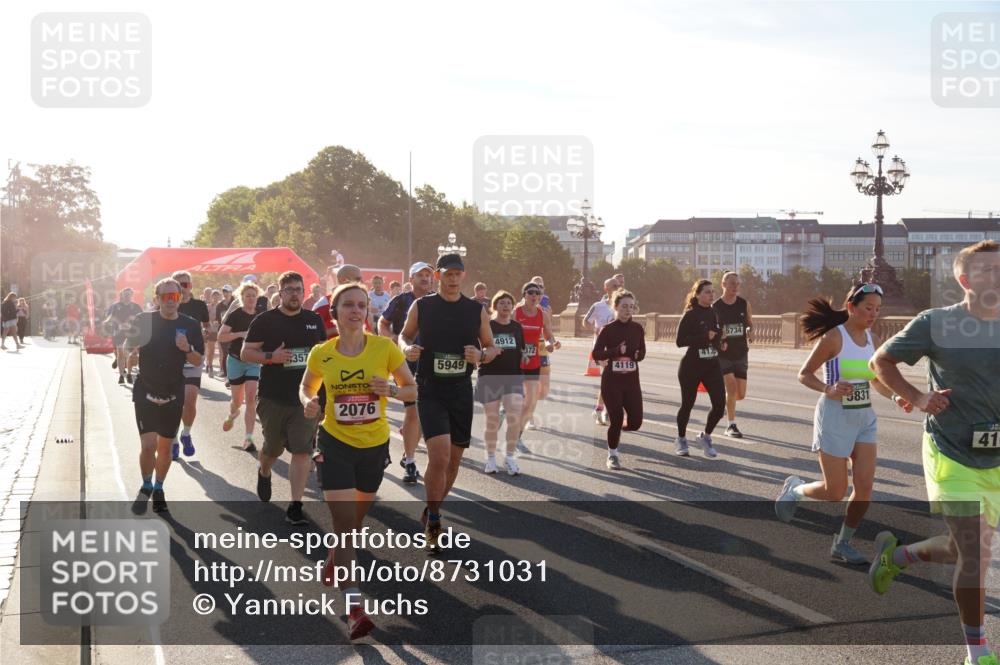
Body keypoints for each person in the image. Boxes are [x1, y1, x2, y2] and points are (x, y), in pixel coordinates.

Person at [867, 241, 1000, 665]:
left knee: (962, 550)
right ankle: (977, 653)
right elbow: (880, 363)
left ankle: (899, 555)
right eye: (988, 270)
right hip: (952, 452)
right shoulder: (937, 323)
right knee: (976, 553)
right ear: (964, 280)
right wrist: (915, 395)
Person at [299, 282, 416, 639]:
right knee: (346, 524)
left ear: (368, 311)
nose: (355, 310)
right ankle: (354, 607)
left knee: (353, 523)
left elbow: (412, 389)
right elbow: (306, 386)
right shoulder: (322, 353)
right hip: (335, 444)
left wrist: (392, 391)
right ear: (334, 313)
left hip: (374, 445)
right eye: (347, 305)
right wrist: (308, 401)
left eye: (361, 305)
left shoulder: (385, 349)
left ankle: (335, 556)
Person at [775, 283, 901, 565]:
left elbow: (876, 380)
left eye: (878, 309)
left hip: (864, 418)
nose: (873, 314)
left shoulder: (873, 340)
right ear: (851, 307)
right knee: (835, 492)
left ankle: (843, 542)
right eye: (868, 308)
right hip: (834, 417)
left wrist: (896, 396)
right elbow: (804, 374)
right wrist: (827, 388)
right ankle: (795, 489)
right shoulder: (834, 337)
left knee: (865, 486)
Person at [399, 253, 498, 551]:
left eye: (458, 274)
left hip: (460, 390)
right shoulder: (422, 305)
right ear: (439, 276)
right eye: (448, 274)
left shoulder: (475, 310)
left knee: (454, 462)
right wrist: (407, 349)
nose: (453, 279)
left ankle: (431, 509)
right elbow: (403, 336)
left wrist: (480, 356)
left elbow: (492, 347)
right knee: (439, 457)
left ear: (463, 276)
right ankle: (435, 522)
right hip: (430, 389)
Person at [242, 271, 326, 525]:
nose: (294, 294)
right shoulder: (265, 320)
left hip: (305, 398)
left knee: (302, 450)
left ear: (304, 292)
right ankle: (264, 470)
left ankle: (295, 505)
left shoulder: (313, 319)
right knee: (272, 449)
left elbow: (323, 356)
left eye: (298, 289)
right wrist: (271, 357)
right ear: (279, 293)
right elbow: (246, 352)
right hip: (273, 397)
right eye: (289, 289)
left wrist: (324, 397)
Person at [128, 277, 204, 514]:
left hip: (173, 392)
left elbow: (199, 360)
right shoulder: (144, 320)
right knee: (148, 446)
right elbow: (129, 348)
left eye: (175, 296)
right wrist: (131, 353)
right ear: (157, 299)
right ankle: (146, 484)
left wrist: (187, 349)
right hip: (146, 390)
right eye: (165, 297)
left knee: (165, 447)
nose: (170, 301)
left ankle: (159, 486)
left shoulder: (190, 325)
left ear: (180, 298)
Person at [379, 261, 434, 484]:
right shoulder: (401, 300)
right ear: (411, 279)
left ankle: (407, 447)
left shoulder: (437, 301)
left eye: (428, 275)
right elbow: (383, 323)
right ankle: (410, 462)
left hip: (432, 362)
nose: (425, 278)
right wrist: (393, 342)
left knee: (423, 412)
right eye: (420, 275)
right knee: (414, 411)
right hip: (406, 363)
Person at [591, 289, 645, 469]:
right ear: (615, 307)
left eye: (631, 307)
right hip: (611, 382)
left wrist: (638, 354)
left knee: (636, 422)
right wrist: (615, 351)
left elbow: (642, 352)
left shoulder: (637, 328)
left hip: (631, 382)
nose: (628, 310)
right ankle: (612, 455)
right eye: (623, 306)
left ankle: (615, 430)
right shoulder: (608, 330)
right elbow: (596, 353)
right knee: (616, 419)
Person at [477, 291, 526, 476]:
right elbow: (479, 352)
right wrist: (489, 352)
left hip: (513, 376)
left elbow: (521, 349)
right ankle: (490, 458)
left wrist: (526, 356)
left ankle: (510, 457)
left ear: (512, 306)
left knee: (514, 417)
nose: (505, 306)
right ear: (495, 306)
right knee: (492, 419)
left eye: (508, 303)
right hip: (490, 376)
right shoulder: (487, 326)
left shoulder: (517, 327)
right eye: (502, 303)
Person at [675, 280, 725, 458]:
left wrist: (720, 343)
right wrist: (704, 336)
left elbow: (716, 337)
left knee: (720, 406)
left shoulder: (714, 312)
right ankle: (681, 439)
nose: (711, 295)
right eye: (707, 292)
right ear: (697, 295)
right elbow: (680, 341)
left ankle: (705, 436)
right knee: (687, 404)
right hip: (691, 366)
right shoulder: (690, 315)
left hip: (712, 364)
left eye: (713, 292)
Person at [218, 282, 262, 452]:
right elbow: (221, 337)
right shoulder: (236, 315)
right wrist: (240, 334)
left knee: (251, 399)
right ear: (242, 298)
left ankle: (248, 438)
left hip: (253, 362)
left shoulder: (261, 316)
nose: (251, 298)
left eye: (253, 295)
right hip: (235, 360)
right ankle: (232, 414)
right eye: (247, 296)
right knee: (237, 400)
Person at [515, 282, 559, 447]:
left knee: (531, 401)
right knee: (518, 399)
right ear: (524, 295)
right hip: (516, 362)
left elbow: (548, 334)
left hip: (533, 362)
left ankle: (517, 435)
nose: (534, 296)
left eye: (537, 293)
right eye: (531, 293)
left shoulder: (542, 314)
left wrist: (551, 343)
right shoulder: (516, 312)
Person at [173, 271, 211, 460]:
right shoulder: (168, 305)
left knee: (189, 401)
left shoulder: (199, 305)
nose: (183, 288)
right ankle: (172, 438)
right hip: (170, 360)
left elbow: (207, 325)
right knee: (173, 403)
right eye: (179, 285)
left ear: (191, 286)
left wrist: (205, 332)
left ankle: (186, 434)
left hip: (193, 356)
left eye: (186, 284)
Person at [713, 271, 754, 438]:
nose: (735, 286)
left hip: (741, 352)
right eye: (731, 283)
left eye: (737, 283)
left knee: (740, 394)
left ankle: (727, 404)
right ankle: (731, 425)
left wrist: (750, 331)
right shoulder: (716, 307)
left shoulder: (744, 304)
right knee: (731, 388)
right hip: (723, 354)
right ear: (723, 284)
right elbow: (711, 330)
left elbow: (750, 324)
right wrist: (719, 338)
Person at [526, 276, 560, 431]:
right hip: (527, 352)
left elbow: (548, 332)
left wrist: (553, 342)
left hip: (542, 350)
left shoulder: (546, 310)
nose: (538, 290)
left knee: (543, 391)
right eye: (535, 287)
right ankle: (529, 417)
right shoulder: (520, 308)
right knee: (530, 387)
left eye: (541, 287)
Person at [584, 278, 619, 425]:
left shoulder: (621, 305)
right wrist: (596, 330)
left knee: (615, 380)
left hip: (618, 349)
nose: (618, 287)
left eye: (619, 285)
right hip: (602, 349)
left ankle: (600, 409)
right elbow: (585, 321)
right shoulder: (598, 306)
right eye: (615, 285)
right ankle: (604, 410)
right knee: (609, 380)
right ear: (606, 288)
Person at [104, 288, 143, 384]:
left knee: (129, 354)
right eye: (125, 294)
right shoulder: (115, 306)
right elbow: (110, 317)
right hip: (119, 333)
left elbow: (142, 319)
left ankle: (129, 373)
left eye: (129, 294)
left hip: (132, 334)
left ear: (132, 295)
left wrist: (133, 323)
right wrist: (111, 323)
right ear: (122, 295)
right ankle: (121, 375)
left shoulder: (136, 307)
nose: (127, 296)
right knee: (121, 353)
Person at [216, 285, 234, 378]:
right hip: (223, 331)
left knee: (233, 352)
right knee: (225, 352)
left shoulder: (235, 302)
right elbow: (219, 320)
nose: (225, 293)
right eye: (224, 291)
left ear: (231, 292)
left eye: (227, 291)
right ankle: (226, 374)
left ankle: (233, 374)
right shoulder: (219, 305)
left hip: (235, 331)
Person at [205, 289, 223, 378]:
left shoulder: (222, 306)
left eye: (217, 295)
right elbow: (204, 319)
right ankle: (210, 365)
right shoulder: (208, 306)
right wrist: (210, 323)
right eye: (214, 295)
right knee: (211, 350)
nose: (215, 297)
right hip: (211, 331)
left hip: (220, 330)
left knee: (221, 351)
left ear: (219, 296)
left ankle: (222, 369)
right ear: (211, 297)